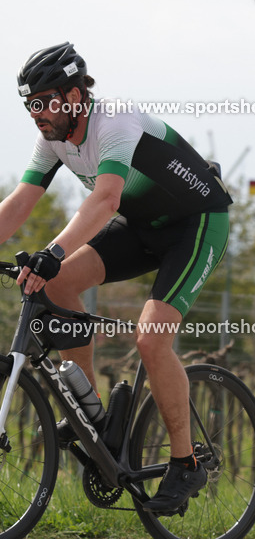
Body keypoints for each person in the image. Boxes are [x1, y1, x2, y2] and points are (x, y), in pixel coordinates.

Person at [3, 42, 233, 513]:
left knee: (151, 340)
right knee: (57, 283)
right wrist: (52, 261)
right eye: (30, 105)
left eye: (44, 101)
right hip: (142, 227)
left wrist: (52, 251)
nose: (36, 113)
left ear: (74, 95)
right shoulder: (53, 137)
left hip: (196, 224)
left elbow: (106, 200)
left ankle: (186, 464)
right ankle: (95, 417)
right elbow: (20, 203)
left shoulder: (116, 121)